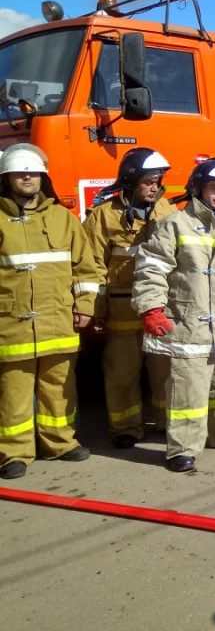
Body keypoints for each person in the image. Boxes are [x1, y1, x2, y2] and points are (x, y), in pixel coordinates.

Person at [133, 159, 215, 472]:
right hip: (189, 323)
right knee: (187, 390)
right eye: (214, 187)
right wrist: (151, 307)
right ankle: (182, 448)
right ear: (198, 188)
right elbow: (152, 269)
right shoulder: (175, 225)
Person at [0, 144, 102, 480]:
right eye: (19, 172)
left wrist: (86, 307)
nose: (27, 177)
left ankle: (60, 442)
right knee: (13, 391)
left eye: (32, 171)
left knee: (59, 387)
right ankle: (13, 452)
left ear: (43, 177)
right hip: (11, 323)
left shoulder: (63, 218)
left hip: (58, 320)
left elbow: (85, 268)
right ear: (7, 177)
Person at [83, 148, 175, 448]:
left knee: (165, 371)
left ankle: (166, 421)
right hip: (121, 308)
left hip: (160, 307)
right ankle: (125, 427)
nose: (154, 187)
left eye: (157, 181)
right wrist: (94, 309)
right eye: (148, 181)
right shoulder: (103, 217)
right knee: (121, 372)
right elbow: (90, 265)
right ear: (131, 180)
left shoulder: (168, 213)